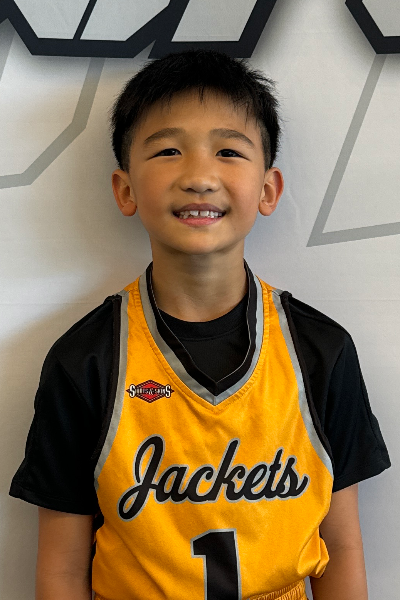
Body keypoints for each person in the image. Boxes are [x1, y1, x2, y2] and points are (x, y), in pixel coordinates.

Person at [10, 50, 390, 600]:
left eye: (228, 151)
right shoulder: (85, 360)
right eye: (168, 150)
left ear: (268, 189)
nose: (199, 177)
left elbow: (343, 549)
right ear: (125, 189)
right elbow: (64, 569)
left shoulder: (320, 351)